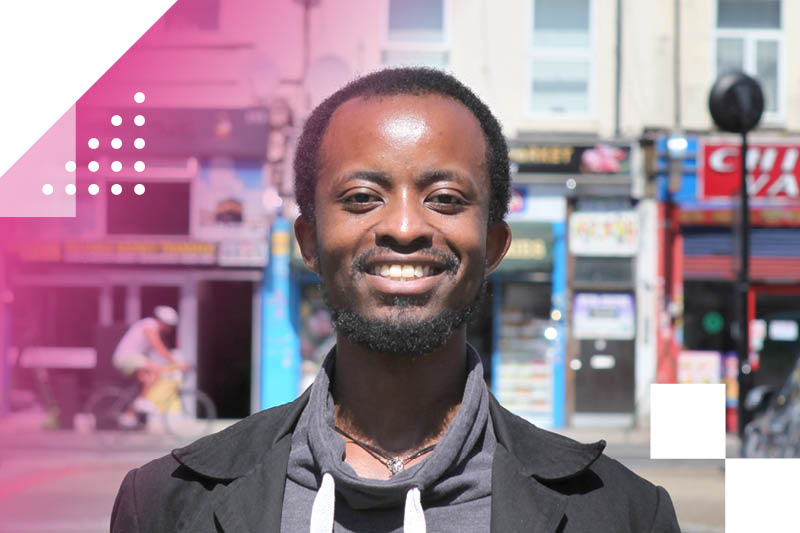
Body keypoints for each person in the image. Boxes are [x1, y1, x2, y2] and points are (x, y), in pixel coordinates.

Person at [111, 68, 680, 532]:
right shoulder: (165, 505)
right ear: (308, 242)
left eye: (445, 198)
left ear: (493, 245)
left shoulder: (623, 515)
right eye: (362, 197)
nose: (404, 227)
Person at [111, 305, 187, 425]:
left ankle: (129, 415)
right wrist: (176, 363)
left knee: (147, 380)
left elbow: (158, 350)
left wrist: (168, 362)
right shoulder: (149, 325)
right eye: (169, 326)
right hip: (127, 357)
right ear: (164, 322)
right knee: (156, 370)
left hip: (134, 358)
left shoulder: (152, 327)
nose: (169, 329)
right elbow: (157, 346)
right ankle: (141, 402)